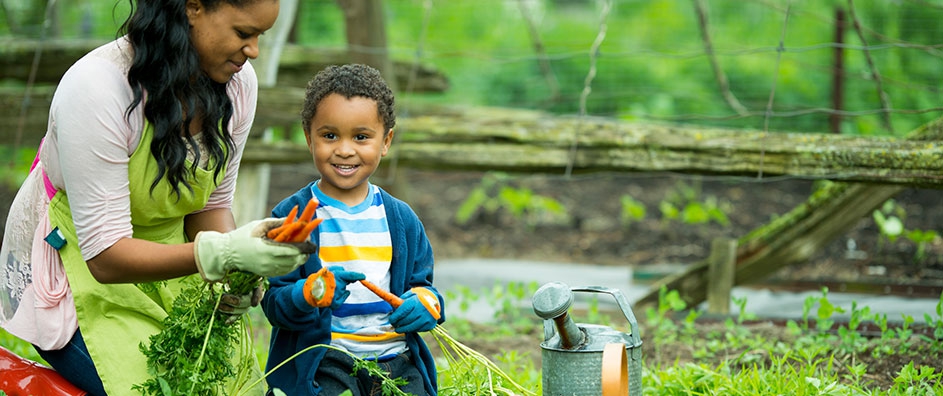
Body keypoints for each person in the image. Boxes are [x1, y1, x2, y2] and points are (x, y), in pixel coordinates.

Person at [0, 0, 311, 395]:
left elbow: (210, 205)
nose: (253, 51)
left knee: (237, 387)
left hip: (173, 255)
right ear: (193, 8)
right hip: (79, 260)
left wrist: (232, 274)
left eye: (260, 36)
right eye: (243, 33)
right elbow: (105, 257)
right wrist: (220, 254)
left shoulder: (237, 84)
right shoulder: (99, 89)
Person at [261, 64, 445, 396]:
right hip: (327, 361)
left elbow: (423, 286)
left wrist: (427, 304)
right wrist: (310, 293)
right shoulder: (291, 217)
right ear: (309, 137)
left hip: (396, 360)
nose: (345, 150)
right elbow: (275, 303)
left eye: (361, 137)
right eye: (329, 135)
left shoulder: (401, 219)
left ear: (386, 141)